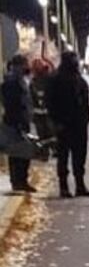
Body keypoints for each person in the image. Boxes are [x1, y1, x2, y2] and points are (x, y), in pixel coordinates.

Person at [48, 52, 89, 198]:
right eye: (73, 60)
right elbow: (50, 102)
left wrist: (87, 118)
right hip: (64, 125)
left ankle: (80, 186)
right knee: (63, 157)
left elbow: (85, 100)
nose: (75, 62)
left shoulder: (79, 79)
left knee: (80, 156)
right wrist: (56, 122)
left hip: (79, 125)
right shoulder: (56, 78)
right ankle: (64, 187)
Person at [2, 55, 36, 193]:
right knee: (17, 153)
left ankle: (21, 181)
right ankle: (18, 182)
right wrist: (18, 121)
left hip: (21, 121)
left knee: (24, 151)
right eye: (25, 64)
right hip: (15, 122)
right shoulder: (12, 81)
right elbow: (12, 103)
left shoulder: (20, 80)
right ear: (19, 65)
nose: (27, 67)